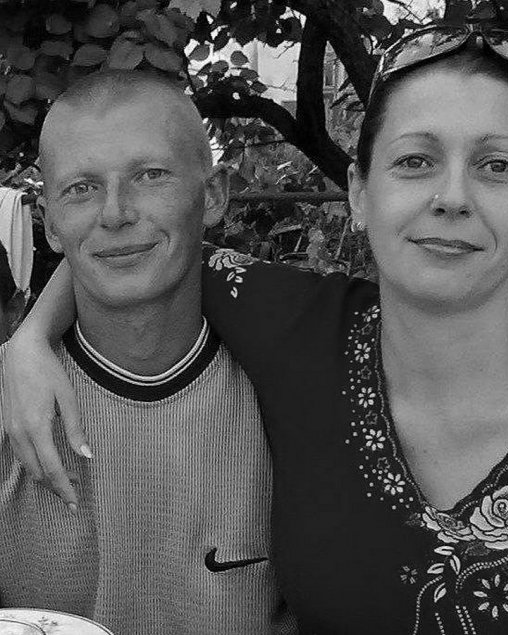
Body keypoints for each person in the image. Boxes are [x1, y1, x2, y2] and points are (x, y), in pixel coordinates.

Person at [5, 25, 508, 634]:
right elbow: (135, 251)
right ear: (359, 192)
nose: (453, 197)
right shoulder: (300, 331)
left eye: (496, 165)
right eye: (415, 160)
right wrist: (29, 342)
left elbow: (157, 233)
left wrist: (27, 336)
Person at [0, 70, 296, 634]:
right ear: (50, 222)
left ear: (213, 195)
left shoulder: (292, 396)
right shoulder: (11, 399)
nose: (115, 213)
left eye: (150, 176)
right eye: (81, 188)